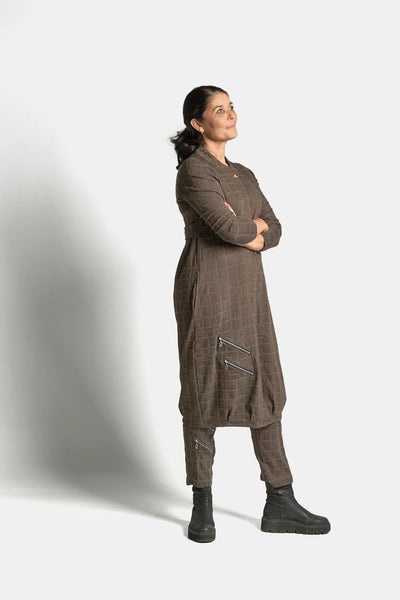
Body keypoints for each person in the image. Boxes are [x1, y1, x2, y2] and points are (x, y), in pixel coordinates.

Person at [170, 85, 330, 543]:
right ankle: (202, 500)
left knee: (265, 378)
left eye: (232, 106)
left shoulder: (242, 173)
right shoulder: (194, 170)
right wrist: (249, 228)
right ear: (198, 123)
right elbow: (226, 227)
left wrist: (254, 230)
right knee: (203, 383)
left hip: (249, 288)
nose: (231, 114)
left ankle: (279, 497)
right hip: (207, 286)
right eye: (219, 109)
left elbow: (273, 227)